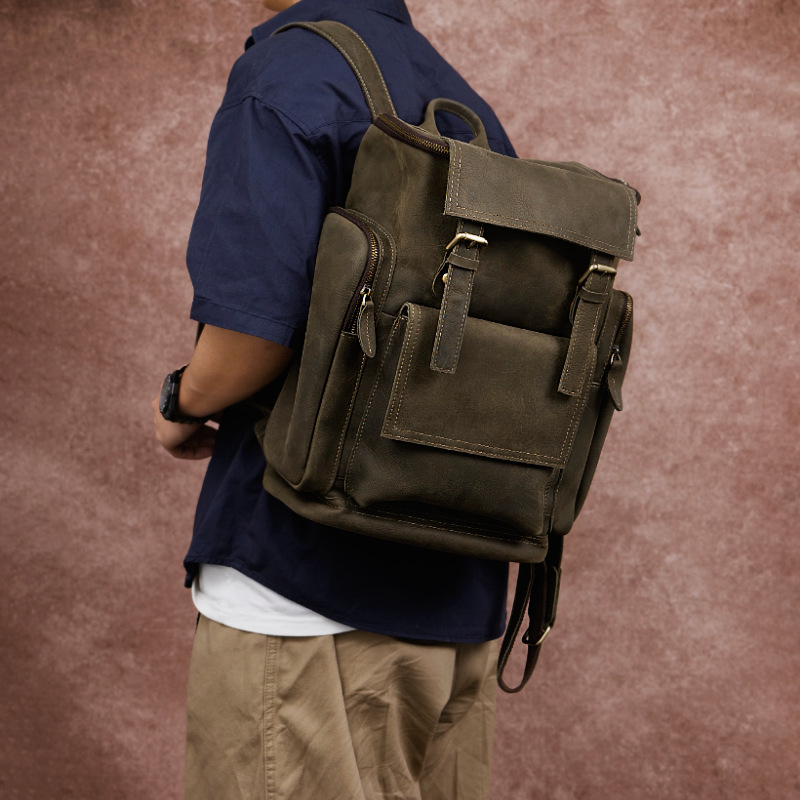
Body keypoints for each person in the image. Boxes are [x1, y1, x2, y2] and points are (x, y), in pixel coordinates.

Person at [152, 1, 518, 797]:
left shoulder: (290, 72)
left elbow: (251, 339)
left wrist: (180, 404)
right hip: (455, 605)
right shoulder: (461, 102)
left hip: (304, 596)